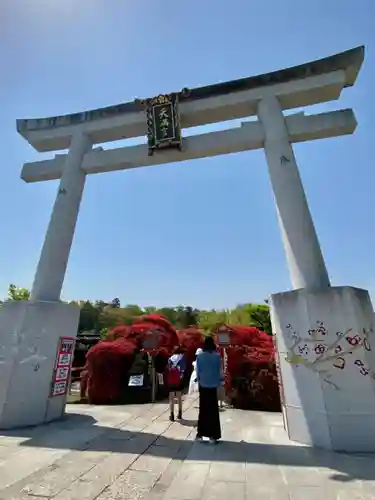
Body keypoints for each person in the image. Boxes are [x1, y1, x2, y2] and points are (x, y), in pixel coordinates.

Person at [196, 336, 223, 443]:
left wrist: (199, 380)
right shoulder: (217, 356)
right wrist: (221, 382)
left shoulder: (200, 356)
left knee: (203, 409)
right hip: (213, 385)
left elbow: (198, 371)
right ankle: (213, 436)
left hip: (203, 384)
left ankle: (200, 434)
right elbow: (220, 371)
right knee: (213, 410)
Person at [166, 346, 186, 421]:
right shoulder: (182, 358)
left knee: (171, 398)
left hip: (171, 380)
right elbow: (183, 369)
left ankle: (171, 415)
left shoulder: (170, 359)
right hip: (179, 380)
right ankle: (180, 414)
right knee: (179, 397)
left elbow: (168, 369)